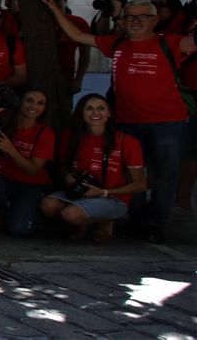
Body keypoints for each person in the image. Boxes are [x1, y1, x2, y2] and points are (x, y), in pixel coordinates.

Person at [46, 0, 195, 243]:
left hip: (168, 122)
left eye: (142, 16)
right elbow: (77, 35)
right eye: (129, 16)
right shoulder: (116, 43)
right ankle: (134, 220)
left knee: (164, 175)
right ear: (123, 20)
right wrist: (55, 9)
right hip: (127, 121)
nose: (135, 21)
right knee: (130, 175)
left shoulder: (171, 42)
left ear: (155, 19)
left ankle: (155, 224)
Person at [40, 94, 147, 241]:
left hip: (112, 197)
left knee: (70, 214)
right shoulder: (71, 136)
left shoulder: (127, 142)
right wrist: (67, 176)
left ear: (109, 113)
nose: (95, 113)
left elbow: (140, 185)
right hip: (80, 193)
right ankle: (85, 220)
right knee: (48, 205)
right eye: (89, 109)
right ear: (81, 113)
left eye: (101, 108)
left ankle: (103, 222)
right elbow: (63, 165)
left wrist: (103, 191)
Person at [0, 87, 55, 238]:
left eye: (41, 103)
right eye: (29, 101)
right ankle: (2, 211)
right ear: (20, 102)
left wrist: (10, 149)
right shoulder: (2, 119)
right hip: (4, 181)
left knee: (18, 229)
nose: (34, 107)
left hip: (31, 185)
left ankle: (31, 214)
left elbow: (33, 170)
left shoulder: (45, 133)